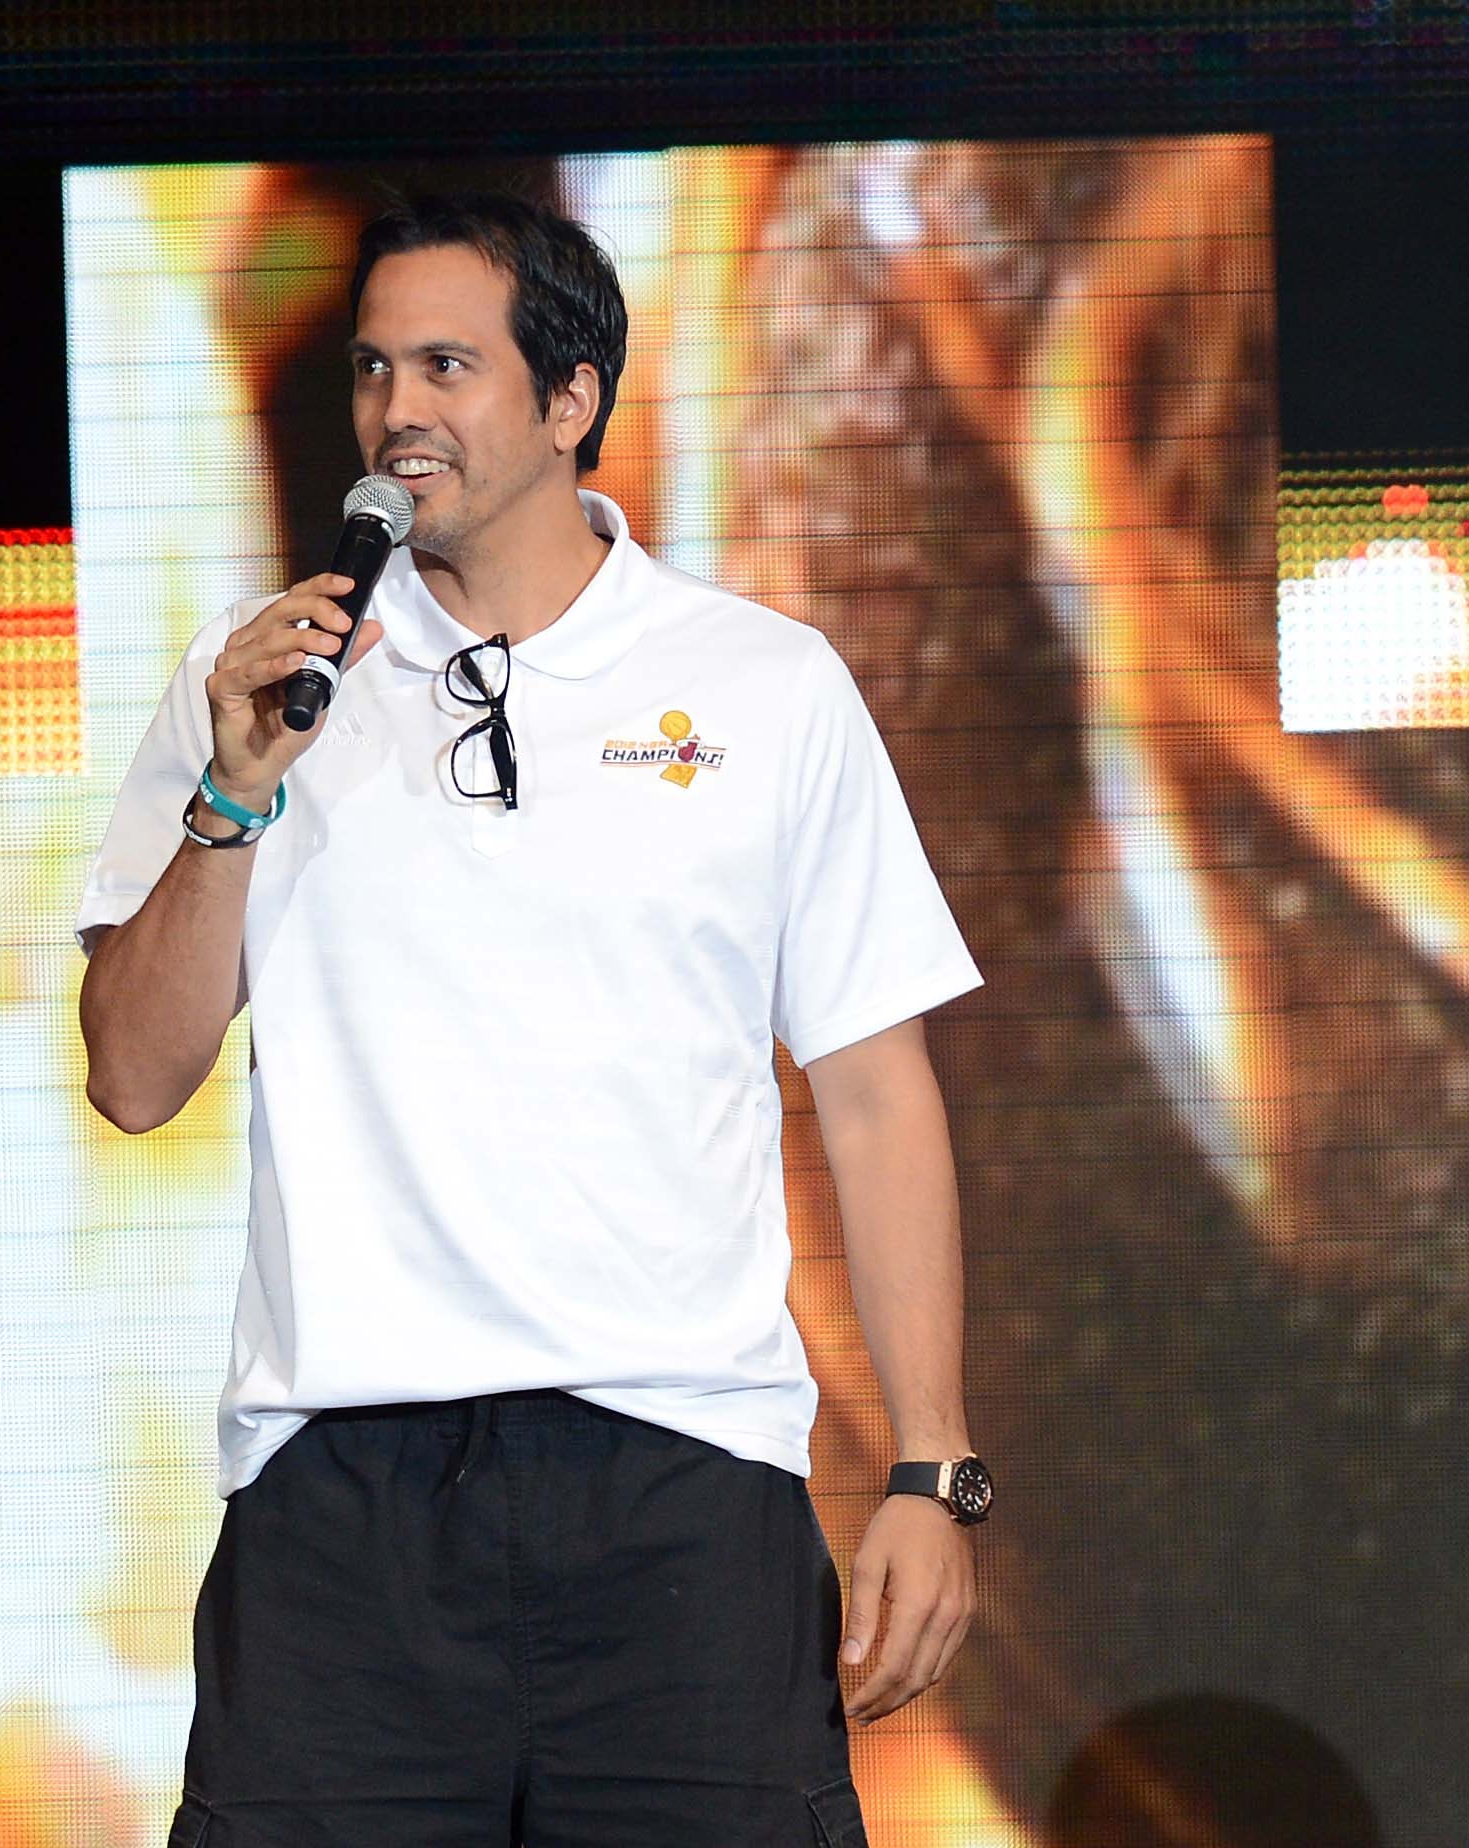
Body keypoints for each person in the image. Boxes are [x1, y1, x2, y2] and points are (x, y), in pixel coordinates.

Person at [77, 190, 988, 1848]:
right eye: (372, 369)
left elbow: (876, 1093)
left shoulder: (766, 683)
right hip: (339, 1500)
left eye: (447, 366)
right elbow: (135, 1078)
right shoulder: (255, 681)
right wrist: (233, 794)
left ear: (572, 401)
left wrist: (932, 1467)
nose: (396, 412)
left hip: (678, 1480)